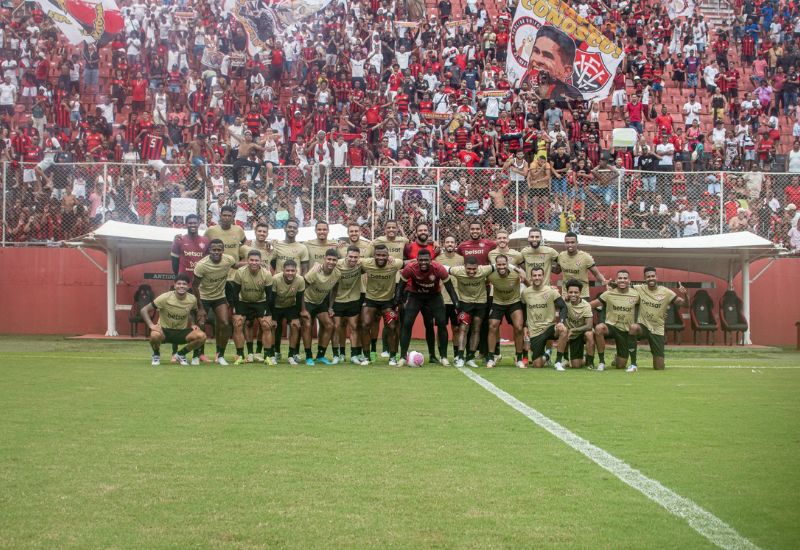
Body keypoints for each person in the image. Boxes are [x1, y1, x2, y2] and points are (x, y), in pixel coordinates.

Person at [396, 249, 460, 366]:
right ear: (417, 260)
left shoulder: (439, 269)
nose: (423, 262)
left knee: (441, 323)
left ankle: (443, 357)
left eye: (426, 260)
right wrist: (397, 302)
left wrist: (457, 304)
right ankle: (403, 356)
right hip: (416, 296)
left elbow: (450, 288)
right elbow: (400, 287)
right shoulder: (410, 268)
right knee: (407, 323)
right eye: (421, 260)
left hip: (434, 296)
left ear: (431, 260)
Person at [140, 274, 207, 366]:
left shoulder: (192, 299)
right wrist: (151, 325)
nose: (181, 286)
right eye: (179, 283)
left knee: (201, 336)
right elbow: (144, 310)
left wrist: (192, 323)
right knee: (154, 335)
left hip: (181, 332)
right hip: (164, 331)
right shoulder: (164, 297)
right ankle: (156, 355)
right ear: (174, 285)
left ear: (188, 286)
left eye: (184, 284)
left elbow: (191, 312)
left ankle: (181, 354)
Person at [170, 213, 210, 364]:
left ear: (199, 223)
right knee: (179, 319)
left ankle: (200, 353)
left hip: (199, 287)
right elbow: (174, 263)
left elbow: (208, 263)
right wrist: (180, 279)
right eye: (190, 223)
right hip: (184, 286)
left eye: (195, 222)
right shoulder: (179, 240)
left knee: (200, 319)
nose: (192, 225)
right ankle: (175, 353)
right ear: (186, 224)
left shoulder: (205, 241)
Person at [629, 267, 688, 370]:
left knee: (659, 367)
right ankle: (633, 364)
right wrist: (610, 284)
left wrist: (686, 294)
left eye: (653, 276)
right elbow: (623, 286)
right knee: (633, 328)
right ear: (644, 278)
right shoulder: (639, 288)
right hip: (643, 326)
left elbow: (685, 304)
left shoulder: (666, 292)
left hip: (657, 329)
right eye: (648, 277)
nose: (651, 278)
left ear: (657, 277)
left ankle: (660, 360)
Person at [191, 240, 238, 365]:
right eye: (214, 250)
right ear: (209, 251)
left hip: (219, 297)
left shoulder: (228, 259)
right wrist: (200, 307)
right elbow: (194, 286)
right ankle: (197, 355)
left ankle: (220, 355)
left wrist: (251, 263)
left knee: (225, 323)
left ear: (223, 250)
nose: (216, 252)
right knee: (200, 324)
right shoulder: (202, 265)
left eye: (219, 250)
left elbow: (235, 265)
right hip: (203, 298)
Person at [401, 221, 440, 362]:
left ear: (428, 232)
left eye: (425, 230)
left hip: (429, 292)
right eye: (420, 230)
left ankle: (433, 356)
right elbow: (402, 264)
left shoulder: (434, 247)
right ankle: (402, 355)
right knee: (407, 323)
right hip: (411, 290)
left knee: (429, 324)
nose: (423, 232)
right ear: (416, 232)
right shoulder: (409, 247)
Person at [360, 244, 404, 366]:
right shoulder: (366, 263)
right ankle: (367, 357)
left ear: (388, 256)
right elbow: (350, 260)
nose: (381, 257)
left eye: (384, 255)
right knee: (365, 325)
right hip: (370, 300)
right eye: (378, 255)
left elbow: (408, 263)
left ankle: (393, 357)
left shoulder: (395, 263)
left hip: (388, 301)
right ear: (374, 255)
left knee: (392, 327)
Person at [230, 249, 275, 365]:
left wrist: (266, 310)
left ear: (260, 261)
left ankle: (267, 356)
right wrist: (236, 309)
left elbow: (269, 295)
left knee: (266, 325)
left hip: (260, 302)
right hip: (243, 301)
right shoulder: (240, 272)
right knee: (238, 323)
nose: (254, 263)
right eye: (251, 260)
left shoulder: (267, 274)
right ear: (247, 261)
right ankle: (240, 355)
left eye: (256, 260)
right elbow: (235, 293)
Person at [447, 257, 495, 368]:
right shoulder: (457, 271)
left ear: (478, 267)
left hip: (481, 302)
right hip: (465, 303)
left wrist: (519, 271)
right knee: (463, 328)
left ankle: (470, 357)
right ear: (464, 267)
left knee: (476, 328)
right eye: (469, 269)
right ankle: (460, 357)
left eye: (474, 269)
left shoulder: (484, 270)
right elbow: (443, 268)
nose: (472, 271)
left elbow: (499, 266)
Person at [590, 270, 640, 372]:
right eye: (620, 278)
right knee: (599, 328)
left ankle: (617, 357)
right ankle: (601, 362)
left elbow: (646, 306)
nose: (622, 280)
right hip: (611, 327)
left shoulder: (636, 295)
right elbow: (590, 305)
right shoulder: (608, 293)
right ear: (616, 280)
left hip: (625, 331)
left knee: (620, 365)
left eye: (625, 278)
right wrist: (571, 304)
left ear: (629, 280)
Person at [521, 266, 569, 370]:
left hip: (549, 327)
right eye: (534, 275)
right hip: (535, 331)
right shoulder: (525, 293)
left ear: (543, 277)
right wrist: (525, 326)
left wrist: (561, 321)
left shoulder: (551, 291)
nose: (537, 277)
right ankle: (547, 354)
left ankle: (558, 362)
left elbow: (563, 306)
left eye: (539, 275)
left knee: (563, 330)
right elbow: (524, 310)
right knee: (537, 365)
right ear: (531, 277)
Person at [486, 255, 528, 368]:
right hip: (498, 303)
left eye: (503, 264)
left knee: (519, 327)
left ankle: (519, 358)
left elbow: (528, 283)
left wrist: (523, 274)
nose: (501, 267)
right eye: (499, 264)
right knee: (492, 326)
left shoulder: (516, 273)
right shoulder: (491, 274)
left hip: (514, 302)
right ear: (496, 265)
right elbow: (483, 280)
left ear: (507, 264)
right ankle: (491, 358)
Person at [519, 26, 582, 100]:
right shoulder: (525, 82)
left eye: (547, 56)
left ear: (566, 71)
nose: (538, 60)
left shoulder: (573, 95)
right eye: (536, 51)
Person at [301, 250, 341, 365]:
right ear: (324, 259)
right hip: (307, 301)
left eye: (334, 260)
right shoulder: (315, 271)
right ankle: (309, 357)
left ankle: (320, 356)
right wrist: (303, 310)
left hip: (320, 302)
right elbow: (301, 290)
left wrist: (330, 307)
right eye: (329, 259)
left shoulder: (337, 274)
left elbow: (334, 289)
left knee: (330, 325)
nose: (331, 262)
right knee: (308, 325)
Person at [333, 245, 369, 365]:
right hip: (338, 299)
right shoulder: (337, 264)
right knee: (338, 327)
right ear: (346, 255)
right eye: (351, 257)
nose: (353, 259)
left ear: (359, 258)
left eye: (355, 257)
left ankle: (354, 355)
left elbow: (375, 262)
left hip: (354, 299)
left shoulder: (360, 264)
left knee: (354, 327)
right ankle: (339, 354)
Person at [271, 260, 307, 365]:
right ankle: (274, 353)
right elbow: (271, 299)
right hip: (276, 307)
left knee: (295, 325)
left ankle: (291, 355)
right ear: (283, 270)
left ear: (296, 271)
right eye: (288, 270)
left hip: (291, 307)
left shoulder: (300, 280)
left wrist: (296, 317)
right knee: (273, 326)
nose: (290, 273)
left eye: (293, 271)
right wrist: (272, 318)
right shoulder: (275, 279)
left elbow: (299, 299)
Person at [435, 236, 464, 359]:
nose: (450, 244)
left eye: (452, 242)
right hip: (441, 298)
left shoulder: (461, 259)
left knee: (456, 328)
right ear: (444, 244)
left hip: (457, 299)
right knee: (441, 327)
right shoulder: (438, 259)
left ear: (455, 244)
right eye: (447, 242)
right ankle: (442, 354)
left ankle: (457, 354)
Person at [557, 231, 607, 299]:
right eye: (567, 242)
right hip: (566, 294)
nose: (570, 245)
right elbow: (557, 271)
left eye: (572, 242)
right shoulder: (561, 256)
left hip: (582, 295)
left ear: (577, 243)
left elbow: (596, 274)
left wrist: (604, 282)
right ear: (564, 243)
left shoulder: (585, 257)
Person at [563, 279, 595, 369]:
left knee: (590, 334)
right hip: (570, 335)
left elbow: (589, 326)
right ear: (567, 292)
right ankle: (566, 359)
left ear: (580, 293)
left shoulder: (586, 306)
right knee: (576, 366)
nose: (573, 294)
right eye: (571, 292)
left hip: (582, 333)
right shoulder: (564, 302)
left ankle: (590, 362)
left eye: (576, 292)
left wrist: (573, 330)